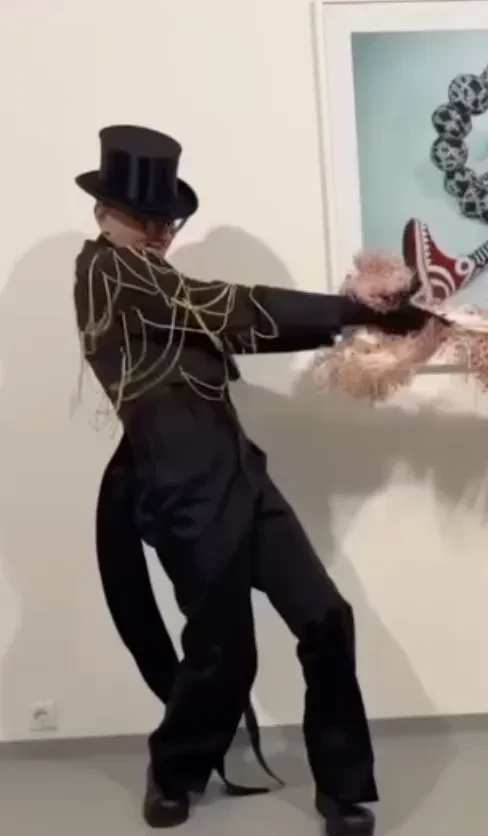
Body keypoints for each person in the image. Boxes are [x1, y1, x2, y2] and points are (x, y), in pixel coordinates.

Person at [74, 125, 433, 833]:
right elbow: (233, 307)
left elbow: (246, 327)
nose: (160, 235)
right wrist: (356, 309)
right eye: (146, 221)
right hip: (179, 491)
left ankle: (343, 786)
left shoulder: (157, 283)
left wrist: (374, 321)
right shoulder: (106, 276)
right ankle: (174, 771)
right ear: (104, 215)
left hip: (241, 474)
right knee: (222, 649)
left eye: (167, 223)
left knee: (325, 615)